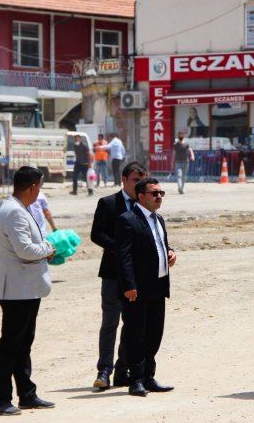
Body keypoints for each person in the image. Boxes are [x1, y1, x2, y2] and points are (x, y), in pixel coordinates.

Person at [0, 167, 56, 416]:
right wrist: (49, 247)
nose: (39, 192)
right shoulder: (15, 212)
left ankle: (27, 394)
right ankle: (3, 399)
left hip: (26, 289)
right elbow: (25, 250)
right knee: (10, 345)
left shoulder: (19, 209)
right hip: (17, 291)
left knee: (23, 344)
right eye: (39, 187)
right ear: (32, 187)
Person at [115, 177, 177, 397]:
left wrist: (170, 252)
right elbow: (124, 257)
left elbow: (158, 243)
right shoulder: (127, 220)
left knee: (154, 333)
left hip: (158, 285)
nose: (159, 197)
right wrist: (129, 285)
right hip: (137, 290)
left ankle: (149, 376)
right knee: (136, 334)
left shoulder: (158, 219)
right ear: (141, 196)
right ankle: (136, 379)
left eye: (161, 193)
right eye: (154, 193)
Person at [89, 161, 147, 390]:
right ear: (124, 179)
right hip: (113, 273)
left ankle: (123, 369)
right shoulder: (108, 203)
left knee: (132, 324)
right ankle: (104, 370)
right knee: (110, 322)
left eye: (142, 180)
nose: (138, 184)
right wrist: (120, 248)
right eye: (135, 180)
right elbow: (96, 234)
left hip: (138, 275)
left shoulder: (146, 204)